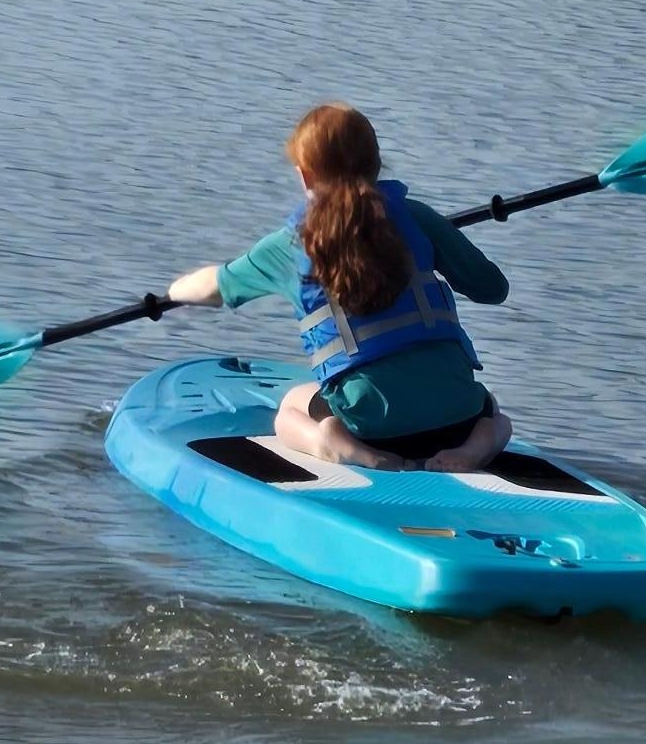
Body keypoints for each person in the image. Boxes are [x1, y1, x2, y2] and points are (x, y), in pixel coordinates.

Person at [166, 102, 512, 472]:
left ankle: (333, 443)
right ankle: (475, 450)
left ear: (306, 176)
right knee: (495, 415)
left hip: (369, 430)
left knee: (291, 409)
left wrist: (172, 293)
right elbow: (493, 289)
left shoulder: (291, 244)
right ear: (377, 165)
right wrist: (440, 235)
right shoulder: (416, 217)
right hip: (455, 421)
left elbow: (214, 287)